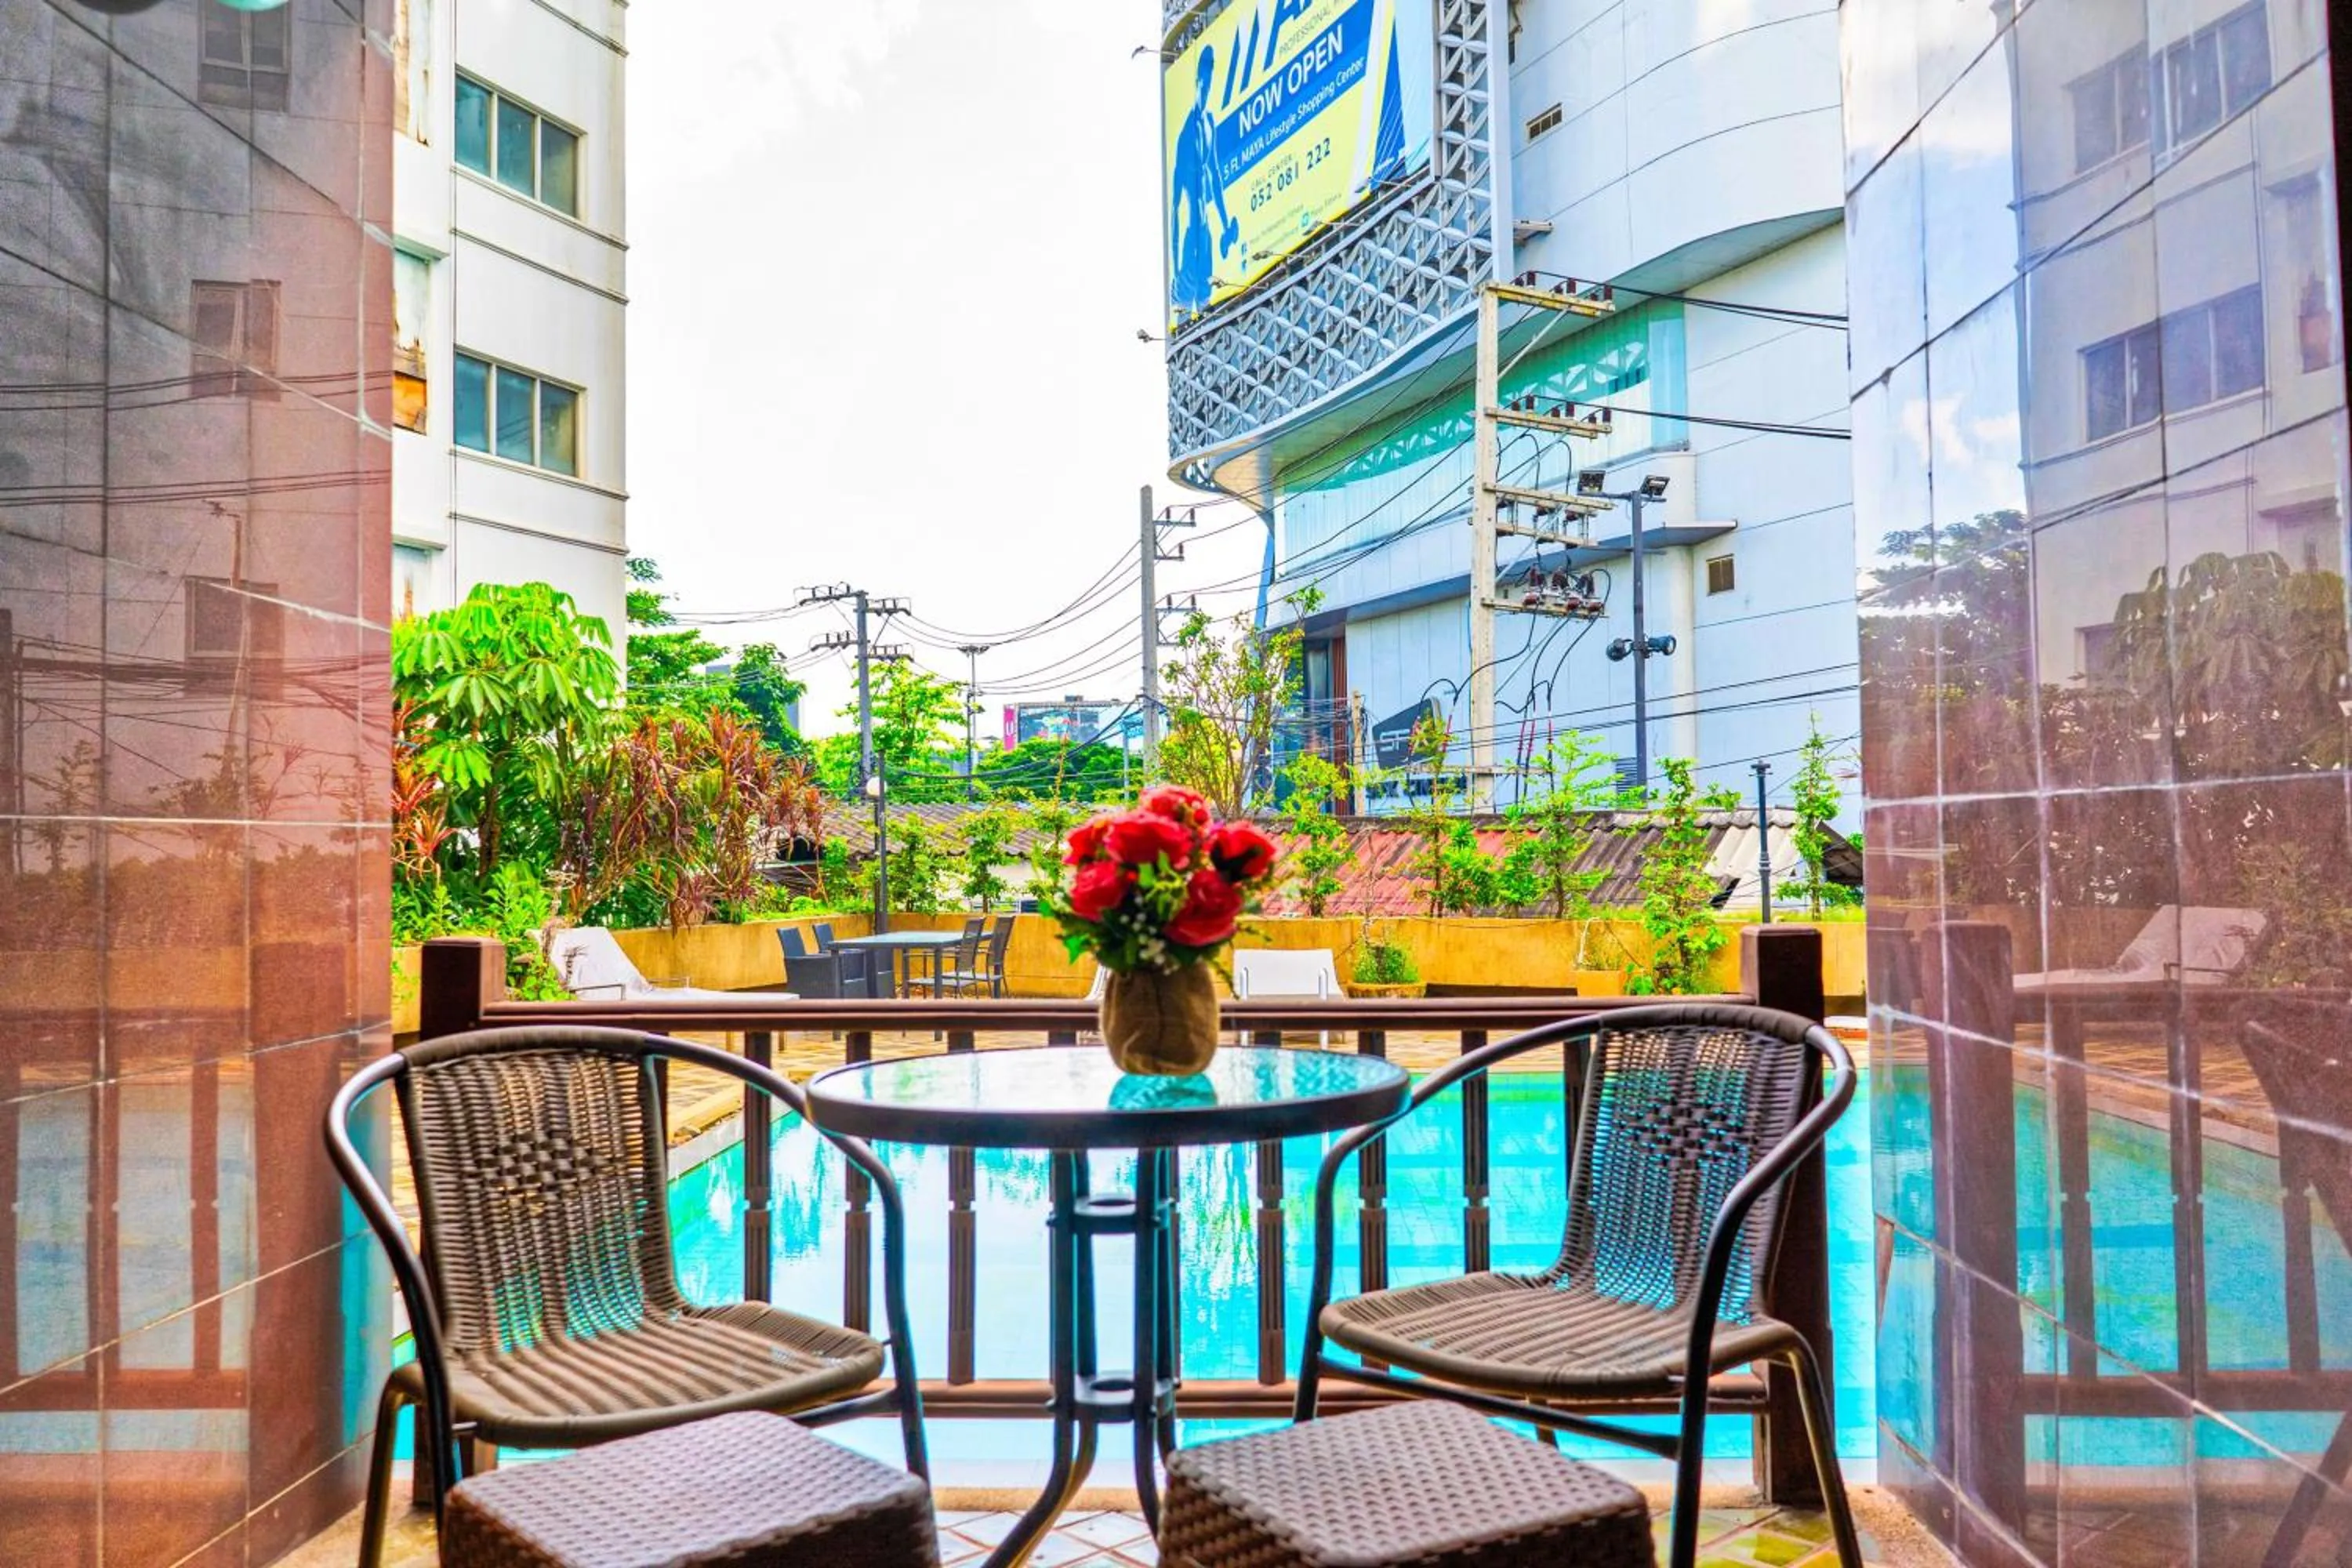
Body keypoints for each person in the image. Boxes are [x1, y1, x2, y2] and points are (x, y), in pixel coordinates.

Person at [1168, 44, 1242, 318]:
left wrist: (1225, 225)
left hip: (1208, 233)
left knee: (1211, 306)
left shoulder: (1210, 123)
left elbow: (1216, 178)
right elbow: (1174, 209)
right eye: (1205, 82)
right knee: (1187, 315)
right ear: (1198, 81)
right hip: (1189, 242)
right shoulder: (1184, 136)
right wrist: (1175, 266)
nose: (1208, 88)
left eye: (1212, 81)